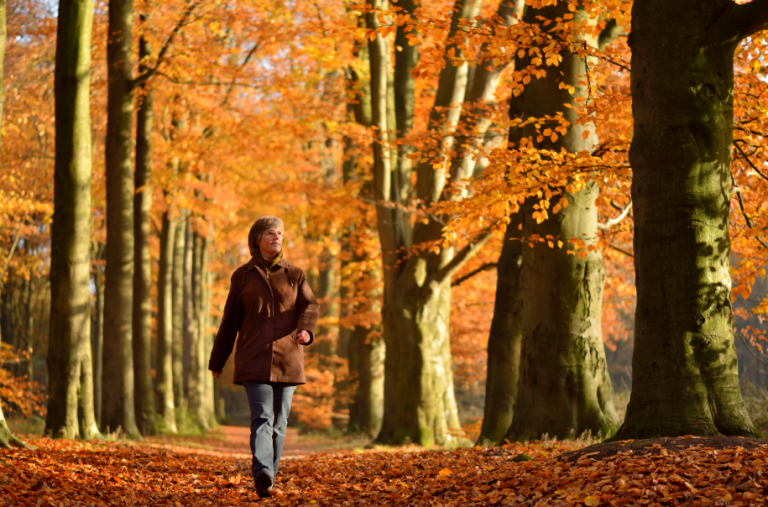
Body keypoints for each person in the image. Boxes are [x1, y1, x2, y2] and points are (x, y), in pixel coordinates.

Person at [209, 216, 319, 498]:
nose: (277, 237)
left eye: (281, 233)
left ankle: (269, 475)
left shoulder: (295, 274)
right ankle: (262, 472)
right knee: (262, 417)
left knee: (279, 423)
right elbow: (230, 320)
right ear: (257, 239)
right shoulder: (242, 276)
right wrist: (218, 361)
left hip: (288, 360)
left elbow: (310, 304)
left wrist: (305, 329)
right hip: (253, 358)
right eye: (271, 233)